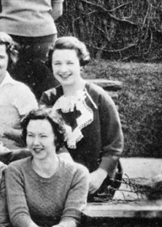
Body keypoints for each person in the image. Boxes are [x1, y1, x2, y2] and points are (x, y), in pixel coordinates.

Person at [40, 37, 124, 201]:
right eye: (57, 63)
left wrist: (100, 174)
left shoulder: (98, 96)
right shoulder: (48, 99)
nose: (63, 69)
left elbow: (115, 142)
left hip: (98, 178)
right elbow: (46, 137)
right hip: (61, 174)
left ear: (81, 63)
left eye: (70, 63)